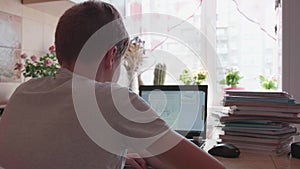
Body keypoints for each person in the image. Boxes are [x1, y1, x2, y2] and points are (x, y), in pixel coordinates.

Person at [0, 1, 225, 169]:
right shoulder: (112, 99)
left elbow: (52, 150)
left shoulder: (23, 92)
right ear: (111, 56)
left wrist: (119, 157)